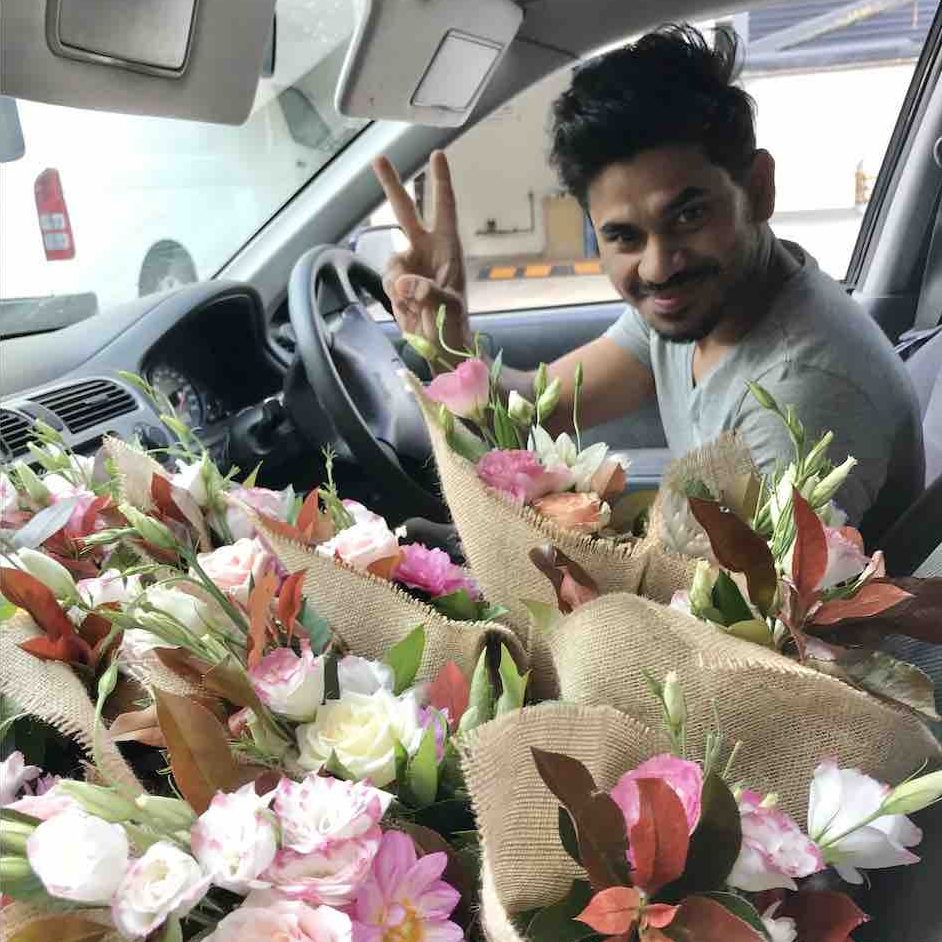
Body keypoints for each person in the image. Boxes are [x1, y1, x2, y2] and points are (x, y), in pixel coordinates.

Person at [373, 24, 922, 536]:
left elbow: (757, 626)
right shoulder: (700, 309)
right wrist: (446, 338)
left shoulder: (804, 394)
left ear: (758, 190)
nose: (658, 267)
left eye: (689, 216)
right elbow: (545, 407)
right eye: (624, 237)